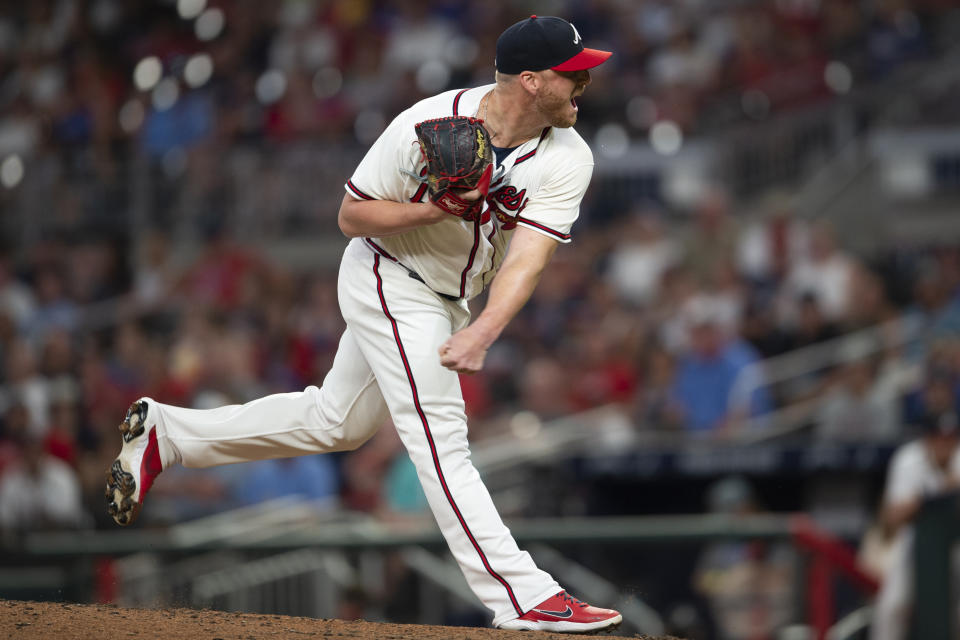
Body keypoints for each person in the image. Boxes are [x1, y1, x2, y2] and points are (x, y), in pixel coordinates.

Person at [104, 15, 622, 633]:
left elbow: (528, 261)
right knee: (441, 436)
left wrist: (484, 328)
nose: (585, 85)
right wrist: (431, 208)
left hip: (451, 298)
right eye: (574, 75)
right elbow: (352, 216)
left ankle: (168, 434)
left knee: (338, 422)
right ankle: (523, 595)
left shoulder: (569, 156)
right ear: (532, 81)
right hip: (387, 275)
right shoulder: (425, 124)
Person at [869, 407, 960, 640]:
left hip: (956, 544)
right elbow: (893, 516)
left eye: (950, 437)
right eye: (938, 437)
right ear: (927, 438)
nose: (944, 443)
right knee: (892, 607)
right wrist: (936, 494)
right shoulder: (908, 459)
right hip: (914, 543)